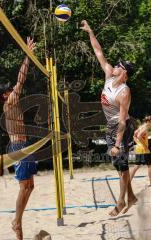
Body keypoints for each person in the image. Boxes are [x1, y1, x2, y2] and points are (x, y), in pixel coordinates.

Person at [81, 20, 137, 216]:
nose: (115, 65)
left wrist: (117, 143)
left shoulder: (124, 91)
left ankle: (121, 202)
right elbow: (99, 53)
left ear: (125, 74)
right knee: (119, 166)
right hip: (111, 126)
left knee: (121, 166)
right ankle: (131, 197)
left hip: (122, 127)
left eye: (120, 65)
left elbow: (122, 121)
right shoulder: (109, 76)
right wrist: (90, 32)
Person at [3, 37, 36, 240]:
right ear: (4, 96)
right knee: (24, 186)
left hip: (24, 144)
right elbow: (21, 79)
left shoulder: (13, 103)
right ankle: (17, 221)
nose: (13, 91)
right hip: (18, 146)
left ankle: (17, 221)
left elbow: (19, 83)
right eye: (9, 90)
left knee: (30, 186)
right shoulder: (9, 104)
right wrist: (28, 55)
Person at [130, 116, 151, 186]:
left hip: (139, 149)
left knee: (136, 166)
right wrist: (145, 146)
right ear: (149, 121)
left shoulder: (140, 127)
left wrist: (138, 143)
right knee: (150, 166)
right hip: (144, 150)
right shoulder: (145, 127)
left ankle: (128, 181)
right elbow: (138, 136)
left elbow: (134, 136)